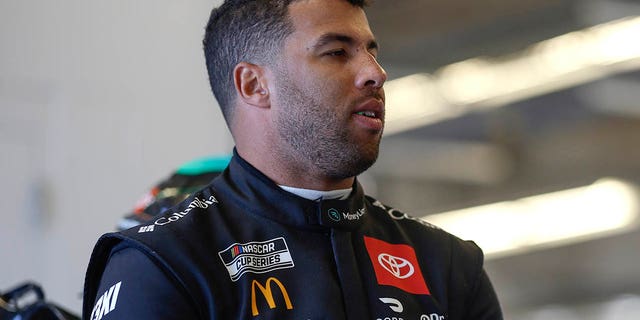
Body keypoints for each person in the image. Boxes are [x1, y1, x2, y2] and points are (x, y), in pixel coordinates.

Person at [83, 0, 503, 319]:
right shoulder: (163, 262)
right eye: (338, 52)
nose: (375, 72)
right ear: (254, 85)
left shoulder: (446, 263)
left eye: (371, 51)